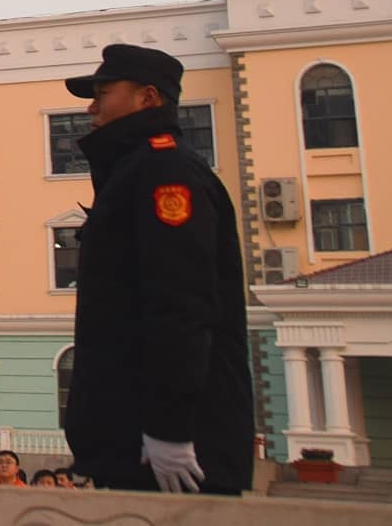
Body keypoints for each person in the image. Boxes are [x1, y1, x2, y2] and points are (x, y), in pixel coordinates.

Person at [61, 44, 254, 495]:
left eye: (102, 94)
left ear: (147, 97)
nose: (91, 108)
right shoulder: (135, 168)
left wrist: (170, 428)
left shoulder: (166, 172)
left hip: (168, 450)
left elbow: (180, 303)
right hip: (133, 439)